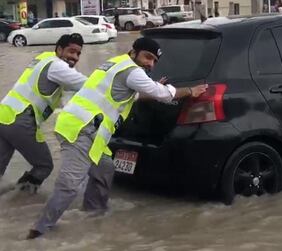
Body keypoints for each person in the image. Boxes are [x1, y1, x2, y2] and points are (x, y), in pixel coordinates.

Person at [27, 37, 208, 239]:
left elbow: (136, 95)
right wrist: (191, 91)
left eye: (154, 61)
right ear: (134, 52)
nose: (150, 63)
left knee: (104, 168)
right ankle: (39, 231)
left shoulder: (116, 63)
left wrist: (153, 87)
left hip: (89, 131)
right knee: (69, 185)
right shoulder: (133, 71)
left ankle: (94, 214)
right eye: (147, 57)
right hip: (80, 129)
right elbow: (162, 95)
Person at [0, 34, 87, 194]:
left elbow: (68, 93)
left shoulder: (44, 58)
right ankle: (21, 199)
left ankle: (8, 210)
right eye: (71, 51)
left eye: (78, 54)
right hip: (20, 120)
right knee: (44, 165)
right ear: (59, 49)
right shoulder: (57, 66)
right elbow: (89, 85)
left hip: (4, 116)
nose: (74, 57)